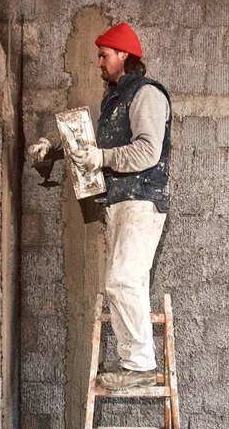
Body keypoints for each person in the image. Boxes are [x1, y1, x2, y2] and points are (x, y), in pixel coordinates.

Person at [28, 22, 172, 391]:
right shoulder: (113, 101)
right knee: (128, 283)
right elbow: (84, 139)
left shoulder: (147, 95)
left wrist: (101, 157)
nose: (98, 62)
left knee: (121, 280)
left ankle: (139, 366)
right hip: (121, 203)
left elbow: (147, 151)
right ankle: (133, 360)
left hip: (141, 201)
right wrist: (50, 144)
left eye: (103, 55)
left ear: (124, 55)